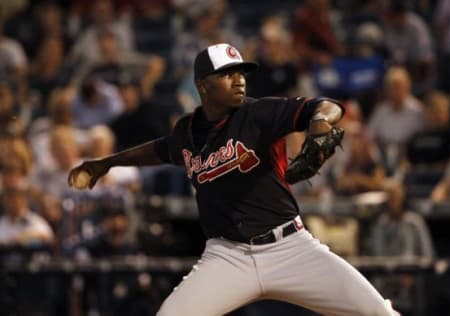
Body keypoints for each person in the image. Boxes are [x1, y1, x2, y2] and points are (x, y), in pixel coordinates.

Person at [69, 43, 399, 316]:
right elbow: (159, 150)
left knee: (379, 314)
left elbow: (326, 106)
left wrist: (320, 124)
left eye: (240, 72)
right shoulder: (186, 132)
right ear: (202, 85)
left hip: (290, 249)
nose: (239, 80)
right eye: (227, 74)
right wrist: (106, 163)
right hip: (228, 256)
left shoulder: (259, 114)